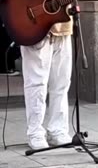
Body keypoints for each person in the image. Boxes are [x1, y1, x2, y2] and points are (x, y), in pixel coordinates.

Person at [20, 15, 73, 149]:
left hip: (63, 26)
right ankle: (35, 132)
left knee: (62, 83)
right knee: (37, 84)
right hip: (35, 25)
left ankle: (58, 129)